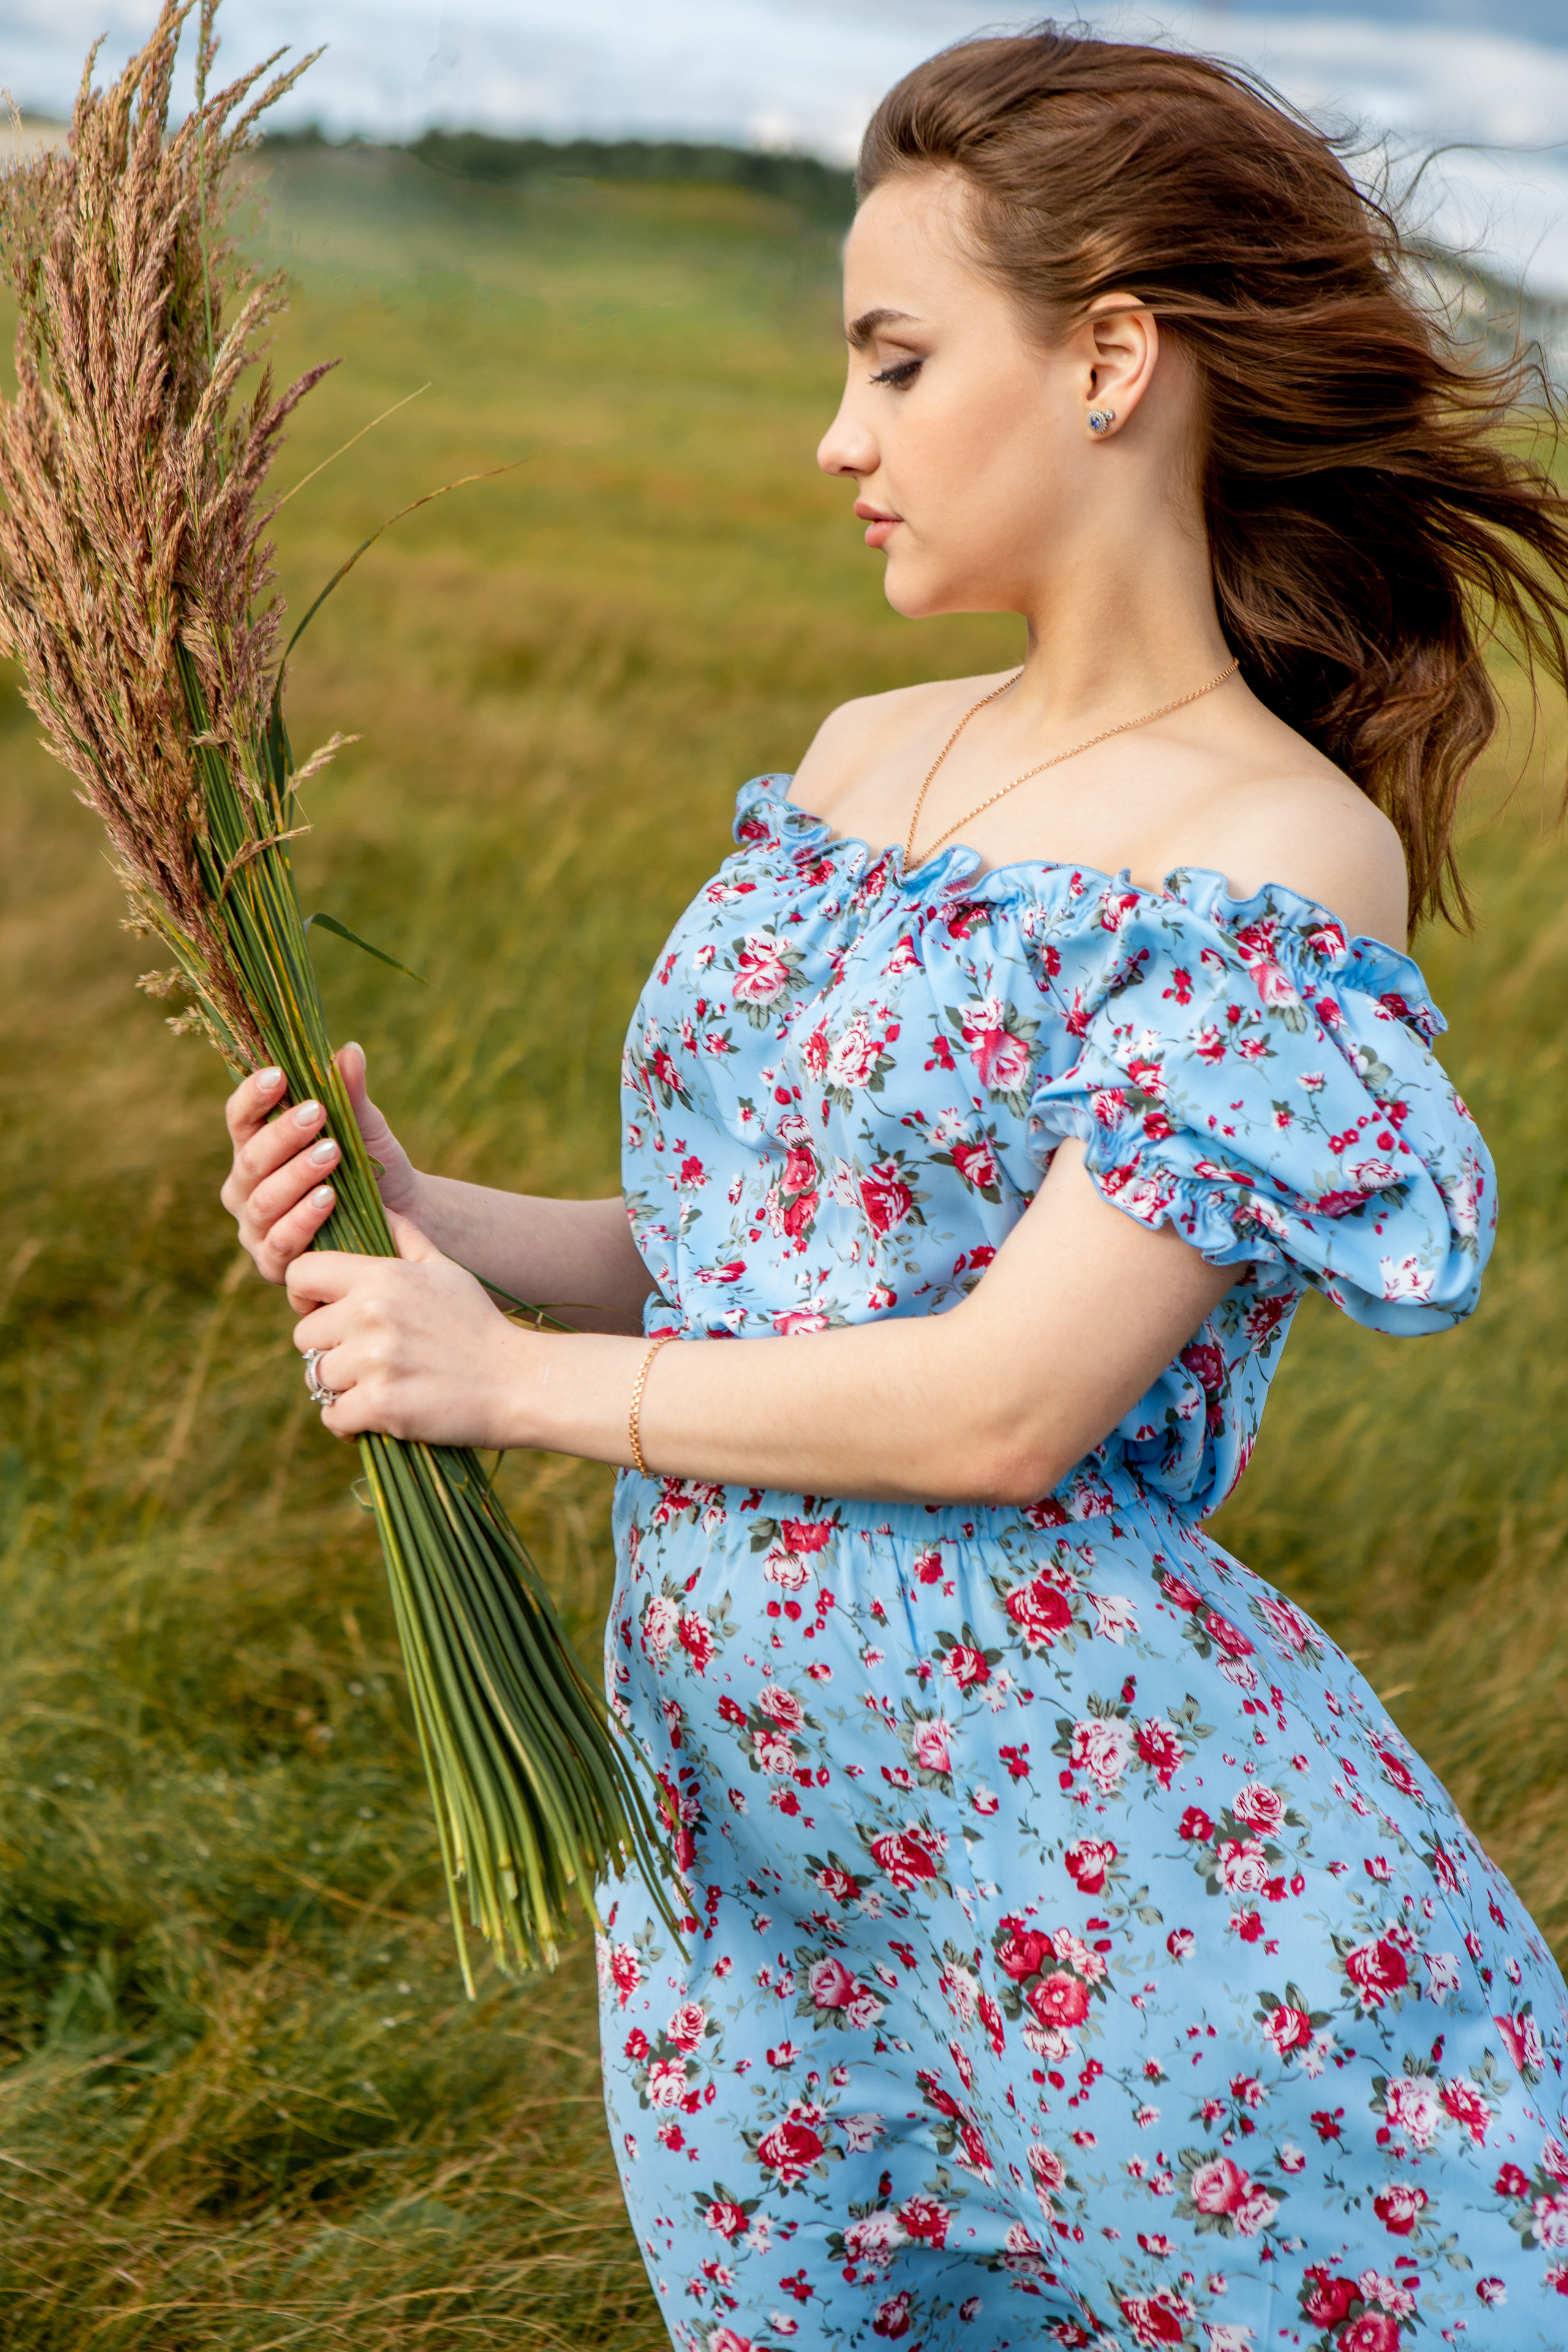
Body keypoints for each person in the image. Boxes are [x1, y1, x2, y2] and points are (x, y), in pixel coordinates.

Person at [219, 28, 1568, 2351]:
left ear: (1115, 361)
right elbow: (751, 1271)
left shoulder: (1270, 858)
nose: (837, 436)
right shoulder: (860, 757)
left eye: (896, 359)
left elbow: (1002, 1407)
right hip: (743, 1854)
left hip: (1110, 1880)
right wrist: (430, 1218)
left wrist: (519, 1387)